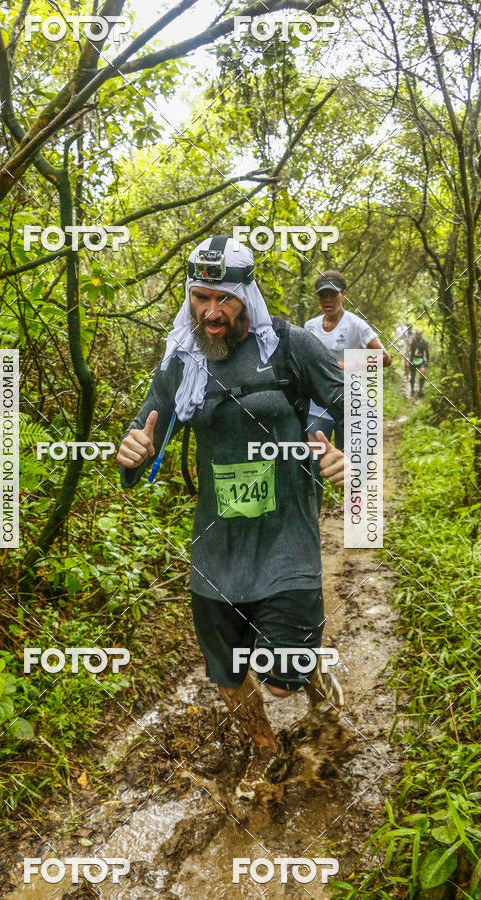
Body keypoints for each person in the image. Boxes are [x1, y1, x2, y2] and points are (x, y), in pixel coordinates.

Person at [117, 235, 348, 802]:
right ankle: (265, 750)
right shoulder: (184, 361)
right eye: (200, 298)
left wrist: (349, 457)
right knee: (225, 668)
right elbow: (141, 431)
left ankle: (309, 676)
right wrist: (131, 456)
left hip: (285, 533)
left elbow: (356, 401)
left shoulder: (287, 347)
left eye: (224, 300)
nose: (211, 313)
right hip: (218, 541)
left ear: (246, 297)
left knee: (279, 679)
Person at [304, 270, 391, 511]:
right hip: (316, 405)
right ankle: (314, 517)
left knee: (352, 461)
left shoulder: (356, 325)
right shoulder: (310, 327)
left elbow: (384, 358)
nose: (327, 300)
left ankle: (357, 510)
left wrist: (346, 365)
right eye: (323, 295)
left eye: (332, 294)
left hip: (348, 402)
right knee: (312, 460)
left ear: (344, 294)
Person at [409, 329, 429, 397]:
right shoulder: (411, 341)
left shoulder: (425, 342)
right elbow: (407, 351)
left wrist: (427, 362)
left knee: (422, 374)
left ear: (421, 335)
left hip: (421, 360)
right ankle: (412, 390)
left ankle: (420, 390)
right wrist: (406, 361)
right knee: (413, 376)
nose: (418, 336)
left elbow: (427, 352)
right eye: (417, 335)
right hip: (413, 360)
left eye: (419, 335)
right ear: (415, 335)